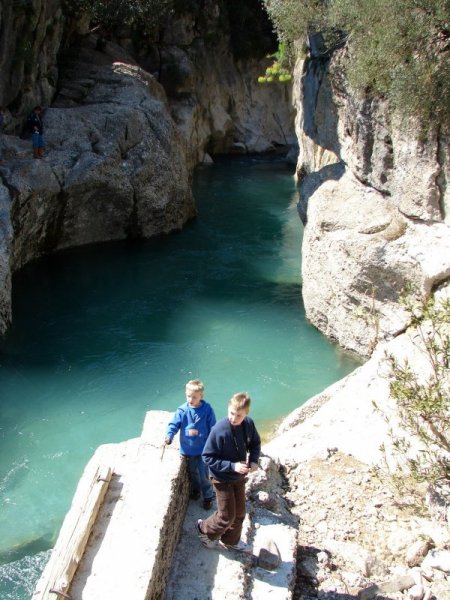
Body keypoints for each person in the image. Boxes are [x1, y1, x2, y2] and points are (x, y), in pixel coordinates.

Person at [197, 391, 261, 552]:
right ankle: (204, 530)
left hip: (238, 476)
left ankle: (231, 540)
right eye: (231, 413)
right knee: (226, 516)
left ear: (246, 414)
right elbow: (207, 456)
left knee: (239, 513)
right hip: (221, 478)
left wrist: (254, 460)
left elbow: (255, 443)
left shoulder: (248, 424)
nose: (234, 418)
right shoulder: (219, 429)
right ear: (228, 409)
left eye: (239, 415)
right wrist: (232, 466)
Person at [165, 379, 216, 510]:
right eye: (188, 396)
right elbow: (174, 424)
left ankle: (208, 496)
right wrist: (169, 435)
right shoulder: (182, 410)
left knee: (204, 474)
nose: (191, 399)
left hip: (204, 449)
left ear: (201, 396)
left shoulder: (207, 410)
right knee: (192, 473)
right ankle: (196, 490)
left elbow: (213, 427)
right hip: (188, 449)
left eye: (194, 397)